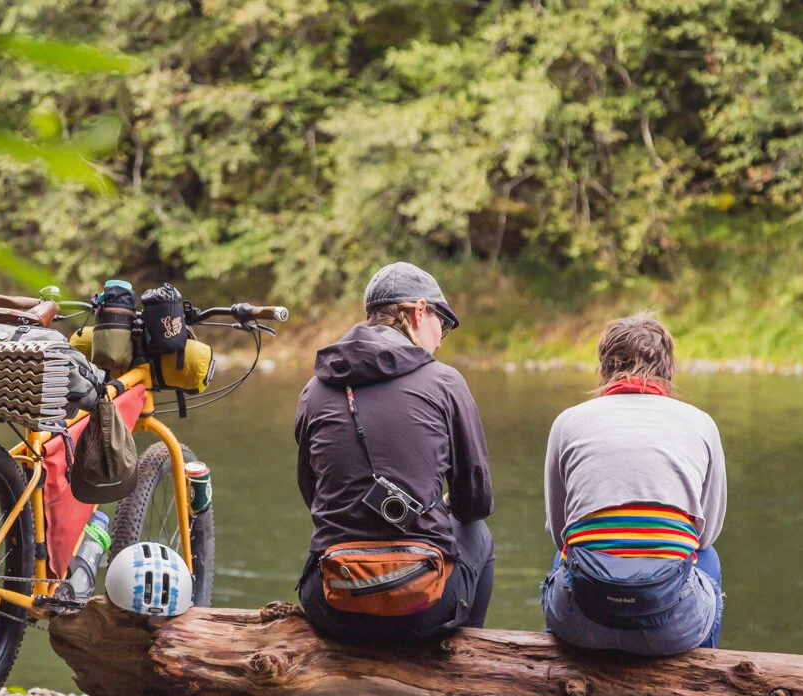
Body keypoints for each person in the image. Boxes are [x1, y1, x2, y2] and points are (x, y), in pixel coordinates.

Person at [295, 262, 495, 643]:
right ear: (419, 312)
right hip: (422, 606)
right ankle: (467, 658)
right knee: (478, 533)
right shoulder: (446, 382)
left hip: (333, 604)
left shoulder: (314, 389)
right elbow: (475, 502)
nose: (441, 339)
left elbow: (312, 494)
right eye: (444, 325)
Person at [541, 313, 726, 655]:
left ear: (602, 372)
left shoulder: (567, 423)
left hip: (584, 622)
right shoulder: (701, 424)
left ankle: (560, 676)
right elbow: (707, 533)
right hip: (672, 627)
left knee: (564, 553)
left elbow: (559, 530)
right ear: (670, 372)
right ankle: (703, 677)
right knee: (707, 556)